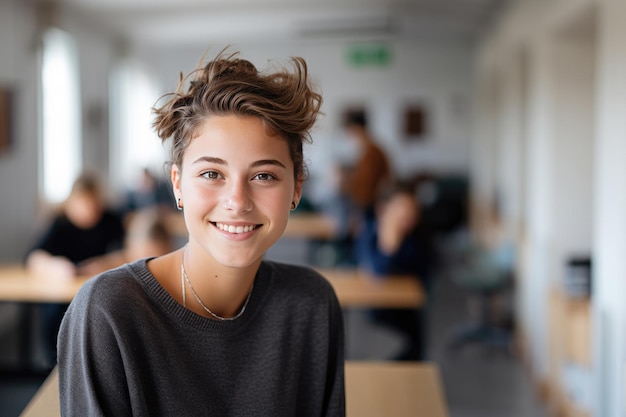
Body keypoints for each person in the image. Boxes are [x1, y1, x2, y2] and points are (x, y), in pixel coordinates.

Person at [57, 49, 345, 416]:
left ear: (297, 188)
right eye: (212, 174)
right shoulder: (109, 311)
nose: (237, 201)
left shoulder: (311, 305)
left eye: (264, 175)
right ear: (177, 184)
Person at [25, 171, 126, 368]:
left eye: (93, 204)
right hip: (65, 287)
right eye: (83, 204)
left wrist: (102, 264)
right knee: (54, 309)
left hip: (100, 285)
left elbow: (129, 252)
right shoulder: (60, 223)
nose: (89, 211)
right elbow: (33, 256)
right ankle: (53, 361)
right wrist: (55, 266)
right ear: (72, 202)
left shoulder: (111, 220)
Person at [354, 182, 433, 360]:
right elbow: (376, 271)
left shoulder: (417, 239)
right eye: (402, 208)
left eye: (413, 209)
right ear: (383, 209)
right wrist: (389, 245)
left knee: (413, 350)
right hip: (376, 308)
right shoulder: (369, 231)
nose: (409, 215)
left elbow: (424, 282)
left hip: (408, 310)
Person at [342, 107, 391, 221]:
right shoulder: (366, 151)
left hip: (371, 207)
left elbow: (368, 185)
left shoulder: (373, 153)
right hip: (365, 205)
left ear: (357, 128)